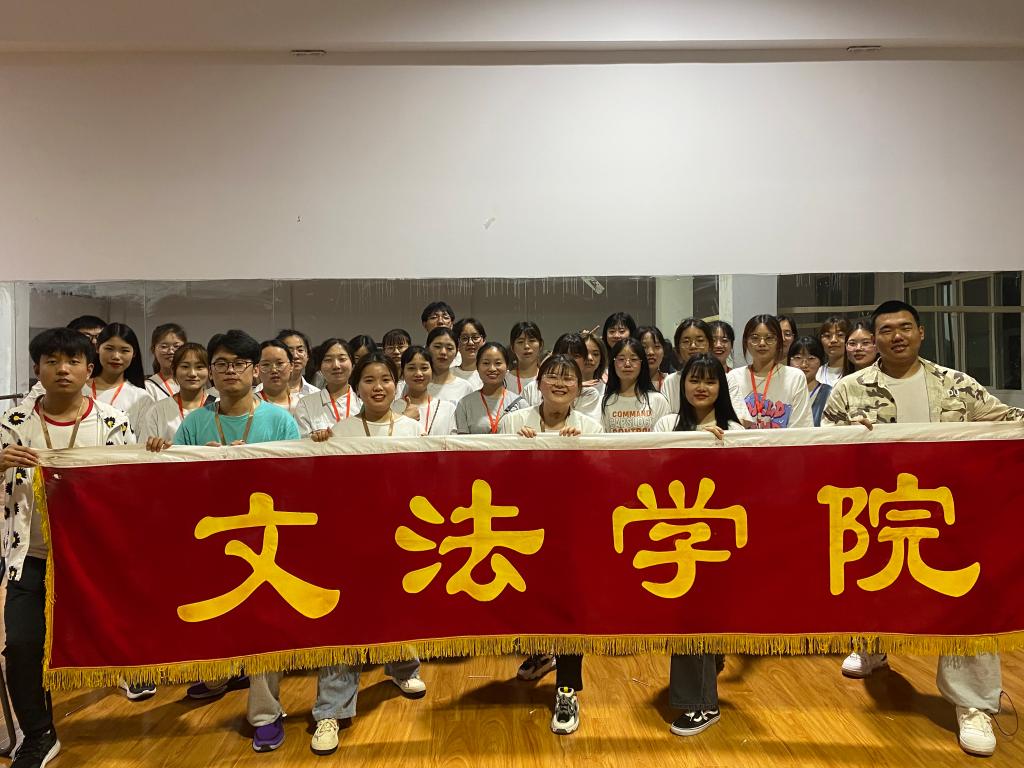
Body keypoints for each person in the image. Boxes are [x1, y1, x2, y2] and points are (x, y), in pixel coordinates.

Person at [822, 299, 1024, 758]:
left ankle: (974, 704)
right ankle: (872, 646)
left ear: (921, 332)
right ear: (874, 338)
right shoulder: (850, 391)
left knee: (967, 603)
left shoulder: (957, 385)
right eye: (886, 330)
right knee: (873, 585)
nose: (897, 336)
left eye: (905, 327)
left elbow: (1008, 425)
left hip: (951, 515)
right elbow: (821, 448)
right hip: (877, 514)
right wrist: (848, 436)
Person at [160, 330, 300, 751]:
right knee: (213, 616)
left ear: (255, 371)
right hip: (212, 540)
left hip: (266, 540)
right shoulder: (194, 422)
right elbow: (175, 485)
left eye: (239, 364)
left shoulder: (279, 420)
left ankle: (266, 712)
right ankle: (218, 675)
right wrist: (187, 459)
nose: (230, 371)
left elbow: (296, 479)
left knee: (265, 628)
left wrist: (249, 465)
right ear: (211, 372)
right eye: (221, 364)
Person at [2, 328, 135, 767]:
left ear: (88, 369)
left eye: (73, 361)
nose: (63, 369)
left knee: (113, 631)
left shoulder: (113, 423)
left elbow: (130, 489)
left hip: (92, 557)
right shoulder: (11, 424)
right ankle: (38, 733)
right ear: (36, 369)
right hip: (31, 555)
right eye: (52, 361)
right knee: (22, 644)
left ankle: (133, 677)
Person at [307, 353, 426, 754]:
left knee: (400, 609)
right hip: (351, 543)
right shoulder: (339, 432)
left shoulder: (413, 428)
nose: (378, 387)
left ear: (396, 385)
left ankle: (403, 667)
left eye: (386, 379)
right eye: (370, 380)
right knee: (345, 625)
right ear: (356, 387)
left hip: (402, 538)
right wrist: (318, 447)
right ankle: (330, 710)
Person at [500, 354, 601, 735]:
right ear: (538, 383)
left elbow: (603, 478)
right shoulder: (513, 422)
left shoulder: (590, 426)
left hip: (573, 532)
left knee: (571, 609)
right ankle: (542, 653)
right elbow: (493, 474)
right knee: (532, 600)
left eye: (568, 378)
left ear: (579, 387)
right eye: (552, 377)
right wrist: (517, 448)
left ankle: (567, 689)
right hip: (523, 529)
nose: (560, 383)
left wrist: (582, 450)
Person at [653, 353, 742, 736]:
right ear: (682, 384)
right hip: (676, 538)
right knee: (689, 619)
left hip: (718, 542)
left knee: (698, 619)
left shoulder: (734, 429)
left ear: (721, 387)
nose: (701, 387)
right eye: (694, 379)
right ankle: (703, 689)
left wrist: (722, 449)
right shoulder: (667, 424)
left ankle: (701, 704)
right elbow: (650, 469)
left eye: (710, 380)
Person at [727, 315, 812, 429]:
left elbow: (801, 427)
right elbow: (729, 425)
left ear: (779, 342)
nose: (762, 343)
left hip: (785, 441)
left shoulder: (795, 377)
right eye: (755, 338)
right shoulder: (734, 377)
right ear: (746, 341)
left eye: (769, 338)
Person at [137, 343, 213, 448]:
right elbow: (143, 451)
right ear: (174, 370)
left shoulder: (220, 407)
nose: (192, 373)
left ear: (209, 371)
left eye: (199, 367)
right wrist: (156, 447)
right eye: (185, 367)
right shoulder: (157, 411)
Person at [23, 316, 107, 404]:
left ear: (89, 370)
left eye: (99, 337)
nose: (94, 341)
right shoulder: (47, 384)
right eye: (86, 337)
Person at [519, 334, 602, 421]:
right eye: (563, 355)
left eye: (576, 356)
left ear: (584, 360)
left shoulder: (589, 394)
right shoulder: (531, 388)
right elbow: (522, 419)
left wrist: (574, 389)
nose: (568, 360)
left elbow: (587, 426)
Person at [87, 323, 154, 427]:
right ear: (97, 348)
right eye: (109, 349)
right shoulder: (77, 389)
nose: (116, 356)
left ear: (134, 353)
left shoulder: (141, 398)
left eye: (124, 351)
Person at [295, 339, 361, 440]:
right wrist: (314, 439)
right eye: (328, 360)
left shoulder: (363, 403)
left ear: (353, 364)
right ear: (320, 367)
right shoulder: (306, 404)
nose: (336, 365)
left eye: (342, 359)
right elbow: (301, 442)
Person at [601, 338, 671, 432]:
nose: (627, 364)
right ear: (613, 363)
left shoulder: (658, 401)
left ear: (642, 363)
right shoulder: (605, 402)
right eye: (621, 359)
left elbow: (666, 436)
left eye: (634, 359)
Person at [454, 342, 526, 434]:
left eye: (498, 363)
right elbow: (461, 441)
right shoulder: (464, 404)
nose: (492, 369)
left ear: (507, 366)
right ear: (477, 367)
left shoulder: (520, 404)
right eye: (486, 363)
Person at [393, 346, 457, 435]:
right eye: (411, 368)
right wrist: (404, 421)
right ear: (403, 373)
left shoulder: (448, 409)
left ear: (432, 371)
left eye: (424, 368)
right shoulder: (392, 409)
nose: (418, 373)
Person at [662, 318, 713, 414]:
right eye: (686, 341)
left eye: (700, 340)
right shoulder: (670, 382)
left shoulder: (724, 379)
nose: (693, 346)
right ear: (678, 349)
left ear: (710, 346)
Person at [787, 336, 832, 427]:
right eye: (798, 357)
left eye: (811, 358)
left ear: (821, 361)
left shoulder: (829, 393)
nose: (804, 365)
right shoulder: (782, 391)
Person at [426, 327, 476, 404]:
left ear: (456, 353)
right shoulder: (416, 384)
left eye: (449, 348)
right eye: (437, 347)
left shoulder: (464, 387)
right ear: (427, 349)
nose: (443, 352)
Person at [256, 340, 301, 413]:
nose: (274, 370)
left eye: (280, 363)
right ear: (256, 368)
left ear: (291, 365)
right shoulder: (251, 403)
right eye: (266, 364)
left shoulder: (301, 404)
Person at [145, 322, 187, 400]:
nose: (171, 351)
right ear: (153, 350)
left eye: (176, 346)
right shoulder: (148, 387)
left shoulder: (195, 381)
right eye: (164, 346)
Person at [275, 329, 319, 397]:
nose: (295, 356)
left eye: (300, 350)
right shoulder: (262, 391)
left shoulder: (315, 394)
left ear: (308, 356)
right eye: (289, 351)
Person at [506, 321, 543, 394]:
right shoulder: (504, 380)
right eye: (520, 342)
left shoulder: (547, 379)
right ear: (512, 347)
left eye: (532, 341)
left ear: (541, 345)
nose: (526, 346)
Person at [637, 325, 674, 393]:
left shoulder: (670, 382)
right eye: (644, 347)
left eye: (657, 346)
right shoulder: (627, 383)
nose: (651, 352)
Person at [452, 317, 486, 388]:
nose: (470, 343)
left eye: (475, 338)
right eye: (464, 338)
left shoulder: (491, 373)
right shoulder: (448, 374)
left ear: (484, 340)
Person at [817, 316, 850, 386]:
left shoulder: (857, 370)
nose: (833, 340)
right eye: (827, 336)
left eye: (840, 335)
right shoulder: (816, 373)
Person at [580, 330, 607, 400]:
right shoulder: (563, 387)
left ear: (601, 359)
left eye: (595, 354)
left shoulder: (607, 388)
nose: (589, 358)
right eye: (584, 353)